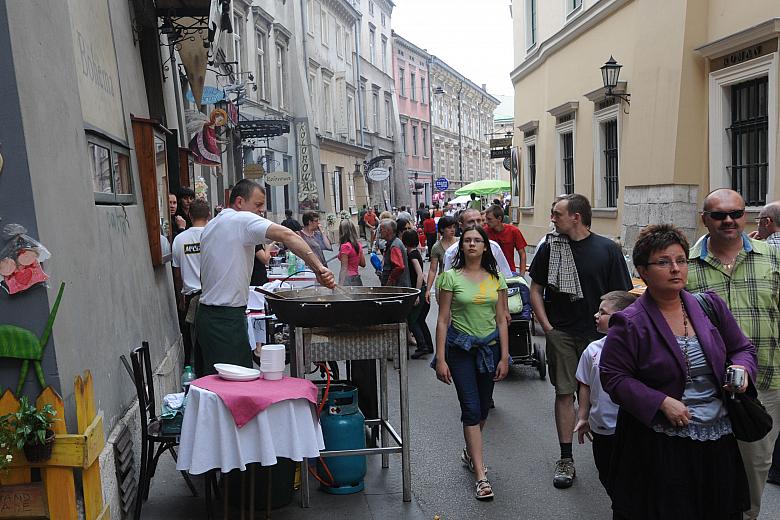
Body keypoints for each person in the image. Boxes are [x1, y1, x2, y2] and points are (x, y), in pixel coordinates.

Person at [600, 223, 756, 520]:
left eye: (681, 260)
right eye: (663, 262)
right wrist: (660, 401)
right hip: (660, 446)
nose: (675, 268)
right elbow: (614, 377)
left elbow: (742, 348)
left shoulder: (709, 305)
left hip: (717, 439)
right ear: (643, 271)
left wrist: (741, 368)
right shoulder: (630, 321)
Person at [685, 188, 780, 519]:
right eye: (718, 215)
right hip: (701, 386)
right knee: (703, 464)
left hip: (765, 381)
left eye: (735, 213)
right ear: (704, 220)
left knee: (755, 463)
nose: (728, 220)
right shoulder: (684, 264)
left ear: (746, 216)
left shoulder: (773, 257)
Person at [528, 193, 632, 489]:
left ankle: (616, 450)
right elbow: (534, 289)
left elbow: (622, 297)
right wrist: (547, 326)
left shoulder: (608, 249)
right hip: (561, 332)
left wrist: (615, 330)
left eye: (557, 214)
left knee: (612, 394)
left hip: (600, 337)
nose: (552, 218)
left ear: (576, 216)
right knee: (564, 393)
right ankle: (566, 458)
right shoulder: (551, 247)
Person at [195, 179, 335, 376]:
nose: (261, 211)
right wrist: (320, 269)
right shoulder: (240, 219)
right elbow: (289, 236)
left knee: (213, 386)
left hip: (208, 316)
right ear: (240, 202)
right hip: (225, 318)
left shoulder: (214, 224)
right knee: (236, 386)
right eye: (258, 205)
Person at [433, 225, 509, 501]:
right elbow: (442, 320)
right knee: (471, 408)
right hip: (460, 350)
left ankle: (470, 453)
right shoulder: (450, 278)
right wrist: (440, 358)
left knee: (483, 410)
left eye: (477, 240)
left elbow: (502, 320)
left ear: (486, 247)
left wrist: (504, 356)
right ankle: (481, 475)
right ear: (461, 246)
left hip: (489, 350)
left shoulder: (496, 278)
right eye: (467, 240)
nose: (472, 244)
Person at [573, 290, 637, 493]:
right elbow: (585, 384)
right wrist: (583, 417)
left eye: (603, 312)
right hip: (601, 428)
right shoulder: (592, 350)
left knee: (630, 480)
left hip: (630, 428)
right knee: (607, 475)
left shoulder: (638, 348)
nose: (596, 315)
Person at [171, 199, 210, 366]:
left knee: (191, 342)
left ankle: (193, 374)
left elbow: (177, 275)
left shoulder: (180, 240)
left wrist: (180, 297)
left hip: (190, 297)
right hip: (212, 297)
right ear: (209, 215)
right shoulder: (213, 236)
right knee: (209, 343)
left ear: (189, 214)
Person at [443, 209, 513, 278]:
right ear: (461, 225)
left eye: (479, 221)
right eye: (471, 221)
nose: (476, 224)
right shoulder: (452, 252)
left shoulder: (494, 248)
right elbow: (447, 281)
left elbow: (506, 275)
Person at [402, 229, 433, 358]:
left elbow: (420, 274)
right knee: (421, 320)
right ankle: (429, 345)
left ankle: (422, 346)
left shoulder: (412, 255)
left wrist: (416, 293)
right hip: (423, 290)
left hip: (418, 291)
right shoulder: (416, 252)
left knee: (413, 321)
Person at [484, 204, 528, 275]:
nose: (486, 221)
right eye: (486, 219)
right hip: (490, 272)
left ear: (499, 219)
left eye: (489, 219)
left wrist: (522, 274)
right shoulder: (485, 231)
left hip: (509, 271)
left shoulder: (513, 231)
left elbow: (522, 253)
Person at [425, 215, 458, 304]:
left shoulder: (460, 242)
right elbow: (433, 270)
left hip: (459, 281)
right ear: (442, 229)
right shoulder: (436, 247)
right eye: (449, 227)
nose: (452, 230)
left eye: (454, 227)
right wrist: (428, 289)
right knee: (445, 312)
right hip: (443, 283)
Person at [378, 219, 410, 287]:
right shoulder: (393, 243)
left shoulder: (394, 245)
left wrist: (390, 280)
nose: (380, 232)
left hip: (397, 288)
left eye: (381, 230)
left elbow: (399, 267)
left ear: (388, 231)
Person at [338, 219, 365, 286]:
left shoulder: (345, 247)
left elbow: (344, 268)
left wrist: (340, 285)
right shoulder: (358, 245)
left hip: (348, 280)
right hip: (357, 279)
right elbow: (363, 264)